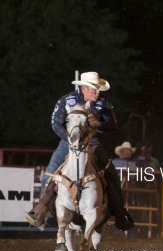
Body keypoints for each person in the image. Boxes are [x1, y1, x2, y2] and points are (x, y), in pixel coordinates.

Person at [25, 72, 134, 231]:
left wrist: (99, 125)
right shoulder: (67, 100)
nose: (98, 92)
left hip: (93, 142)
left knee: (111, 172)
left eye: (98, 89)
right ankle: (40, 210)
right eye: (94, 89)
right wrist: (70, 139)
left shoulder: (103, 103)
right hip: (67, 143)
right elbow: (55, 122)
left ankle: (119, 212)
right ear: (84, 88)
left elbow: (113, 125)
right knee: (50, 172)